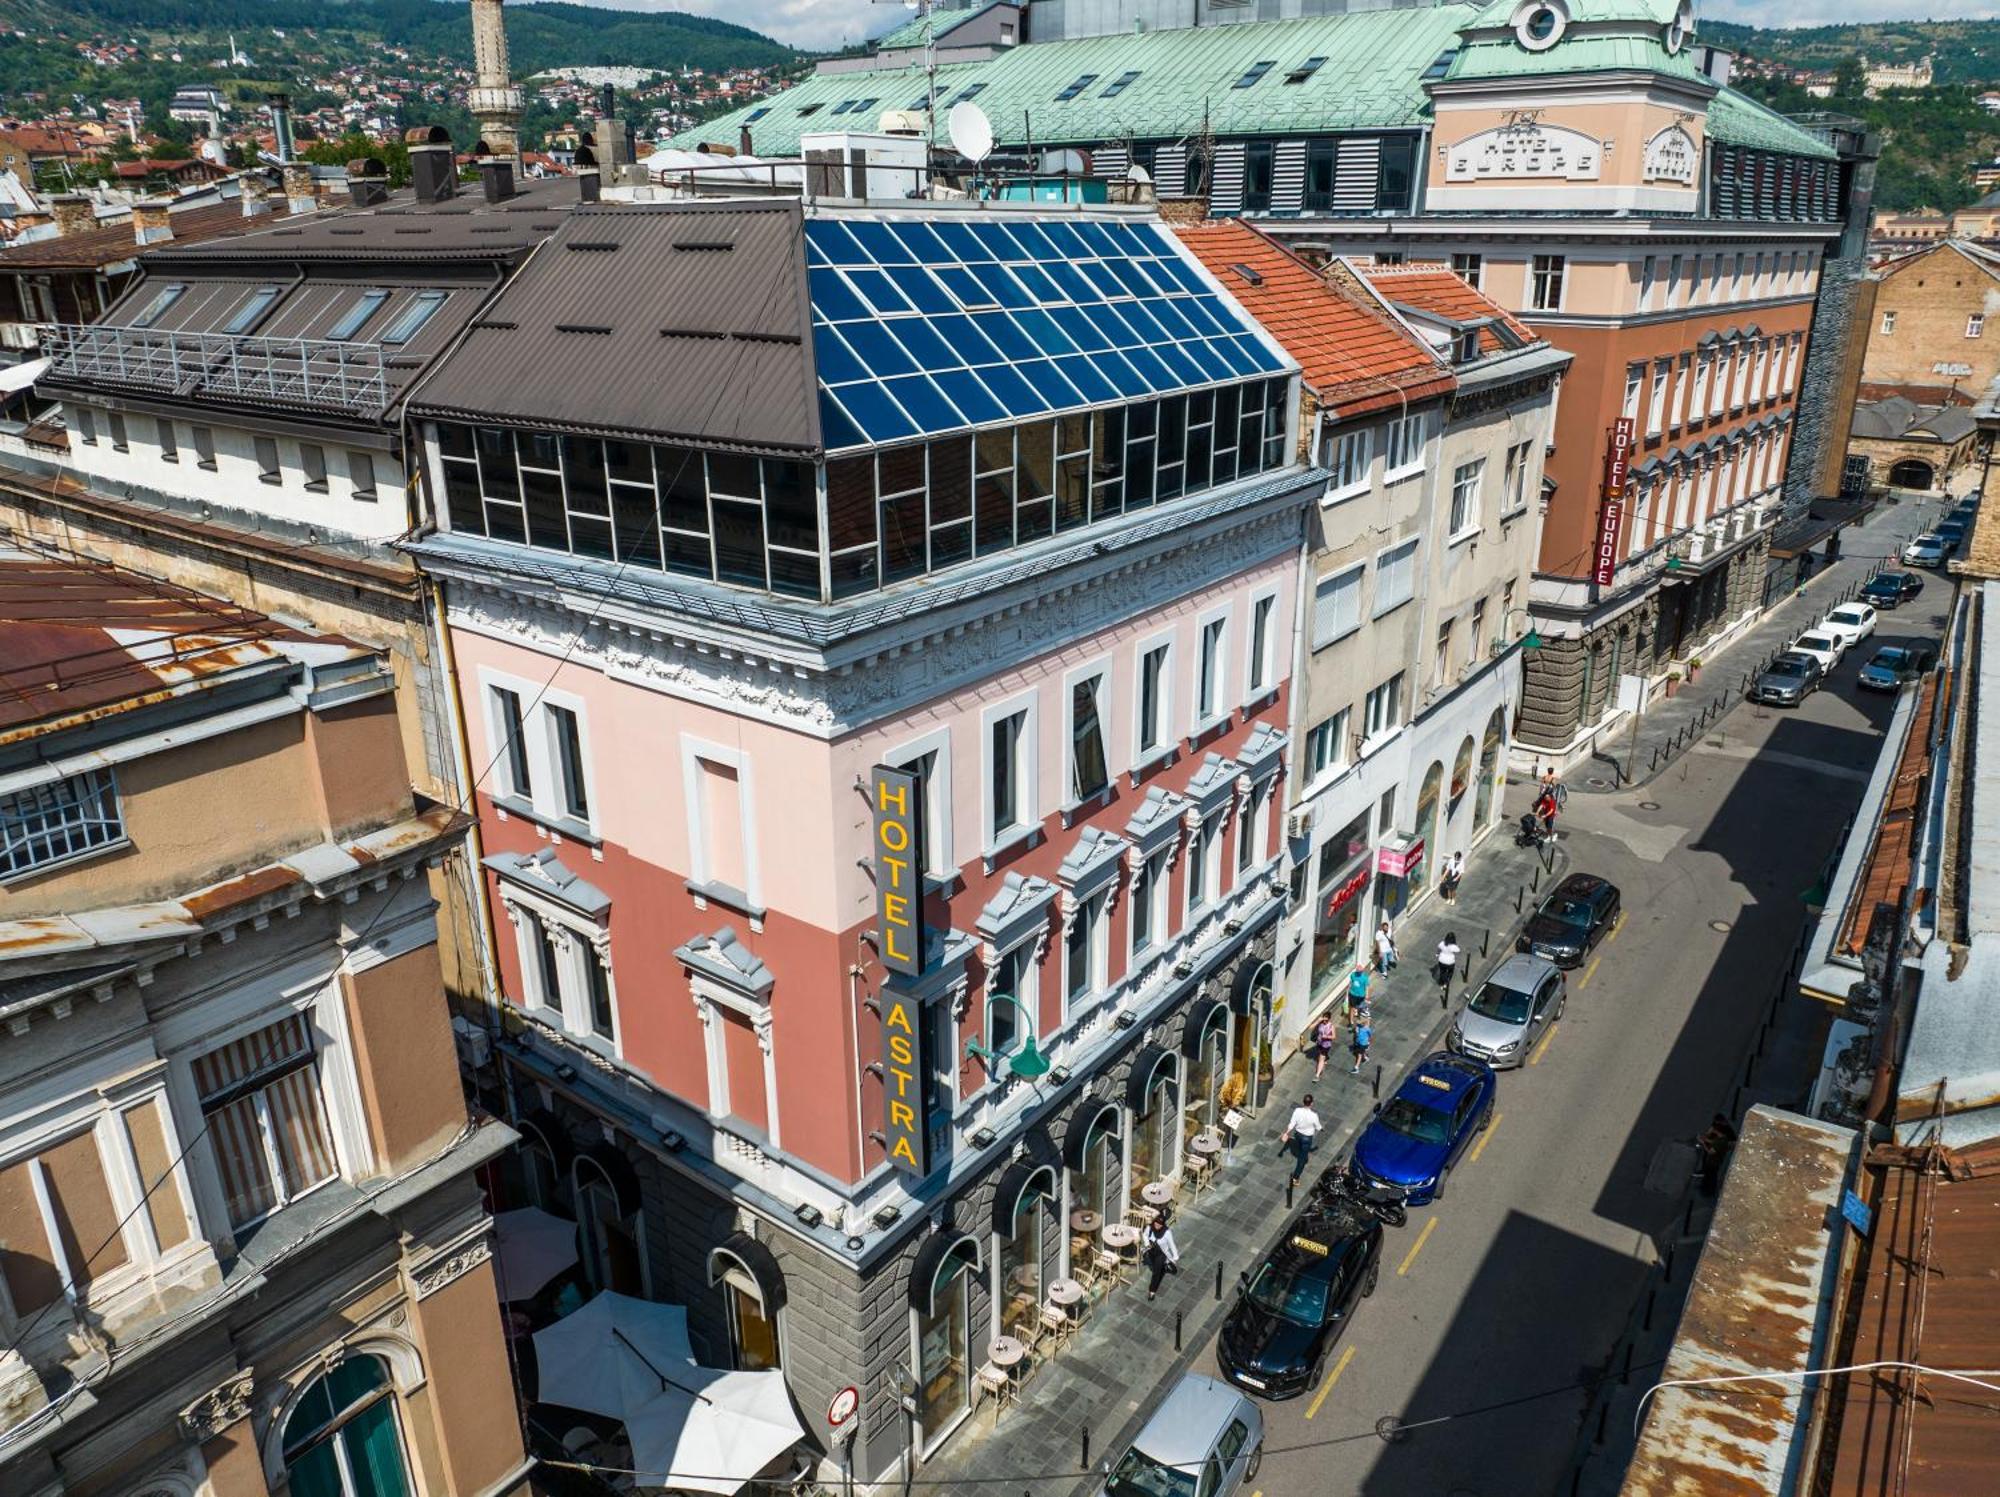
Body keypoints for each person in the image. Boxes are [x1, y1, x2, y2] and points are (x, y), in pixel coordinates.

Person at [1281, 1094, 1322, 1183]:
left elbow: (1292, 1123)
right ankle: (1295, 1177)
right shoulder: (1314, 1115)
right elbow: (1318, 1127)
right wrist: (1321, 1129)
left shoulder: (1297, 1111)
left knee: (1300, 1149)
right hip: (1307, 1139)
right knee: (1302, 1159)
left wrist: (1286, 1133)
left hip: (1298, 1135)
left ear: (1303, 1102)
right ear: (1311, 1103)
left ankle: (1300, 1153)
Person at [1698, 1113, 1738, 1197]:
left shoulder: (1722, 1140)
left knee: (1711, 1176)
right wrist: (1706, 1139)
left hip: (1714, 1161)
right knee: (1710, 1175)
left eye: (1716, 1130)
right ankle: (1706, 1188)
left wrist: (1703, 1143)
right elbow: (1713, 1140)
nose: (1714, 1130)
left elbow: (1711, 1151)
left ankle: (1709, 1191)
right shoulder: (1719, 1138)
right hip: (1714, 1158)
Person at [1142, 1210, 1180, 1300]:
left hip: (1161, 1254)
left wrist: (1175, 1257)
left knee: (1156, 1272)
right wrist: (1147, 1244)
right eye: (1156, 1223)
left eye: (1160, 1224)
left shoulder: (1167, 1233)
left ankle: (1152, 1291)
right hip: (1151, 1251)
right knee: (1156, 1267)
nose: (1157, 1225)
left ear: (1163, 1225)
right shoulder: (1150, 1227)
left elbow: (1172, 1244)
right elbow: (1145, 1235)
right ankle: (1165, 1267)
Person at [1312, 1012, 1337, 1079]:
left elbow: (1334, 1037)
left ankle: (1317, 1075)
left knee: (1320, 1059)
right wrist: (1318, 1021)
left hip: (1326, 1045)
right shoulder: (1321, 1023)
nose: (1325, 1021)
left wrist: (1326, 1036)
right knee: (1321, 1056)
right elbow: (1310, 1027)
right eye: (1324, 1019)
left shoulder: (1331, 1026)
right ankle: (1326, 1058)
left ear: (1329, 1019)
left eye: (1326, 1020)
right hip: (1319, 1043)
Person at [1349, 1010, 1372, 1075]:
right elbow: (1356, 1031)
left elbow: (1370, 1036)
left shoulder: (1367, 1029)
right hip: (1359, 1042)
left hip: (1363, 1043)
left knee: (1359, 1055)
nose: (1359, 1023)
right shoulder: (1359, 1026)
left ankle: (1356, 1067)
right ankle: (1365, 1058)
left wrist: (1368, 1042)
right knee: (1362, 1051)